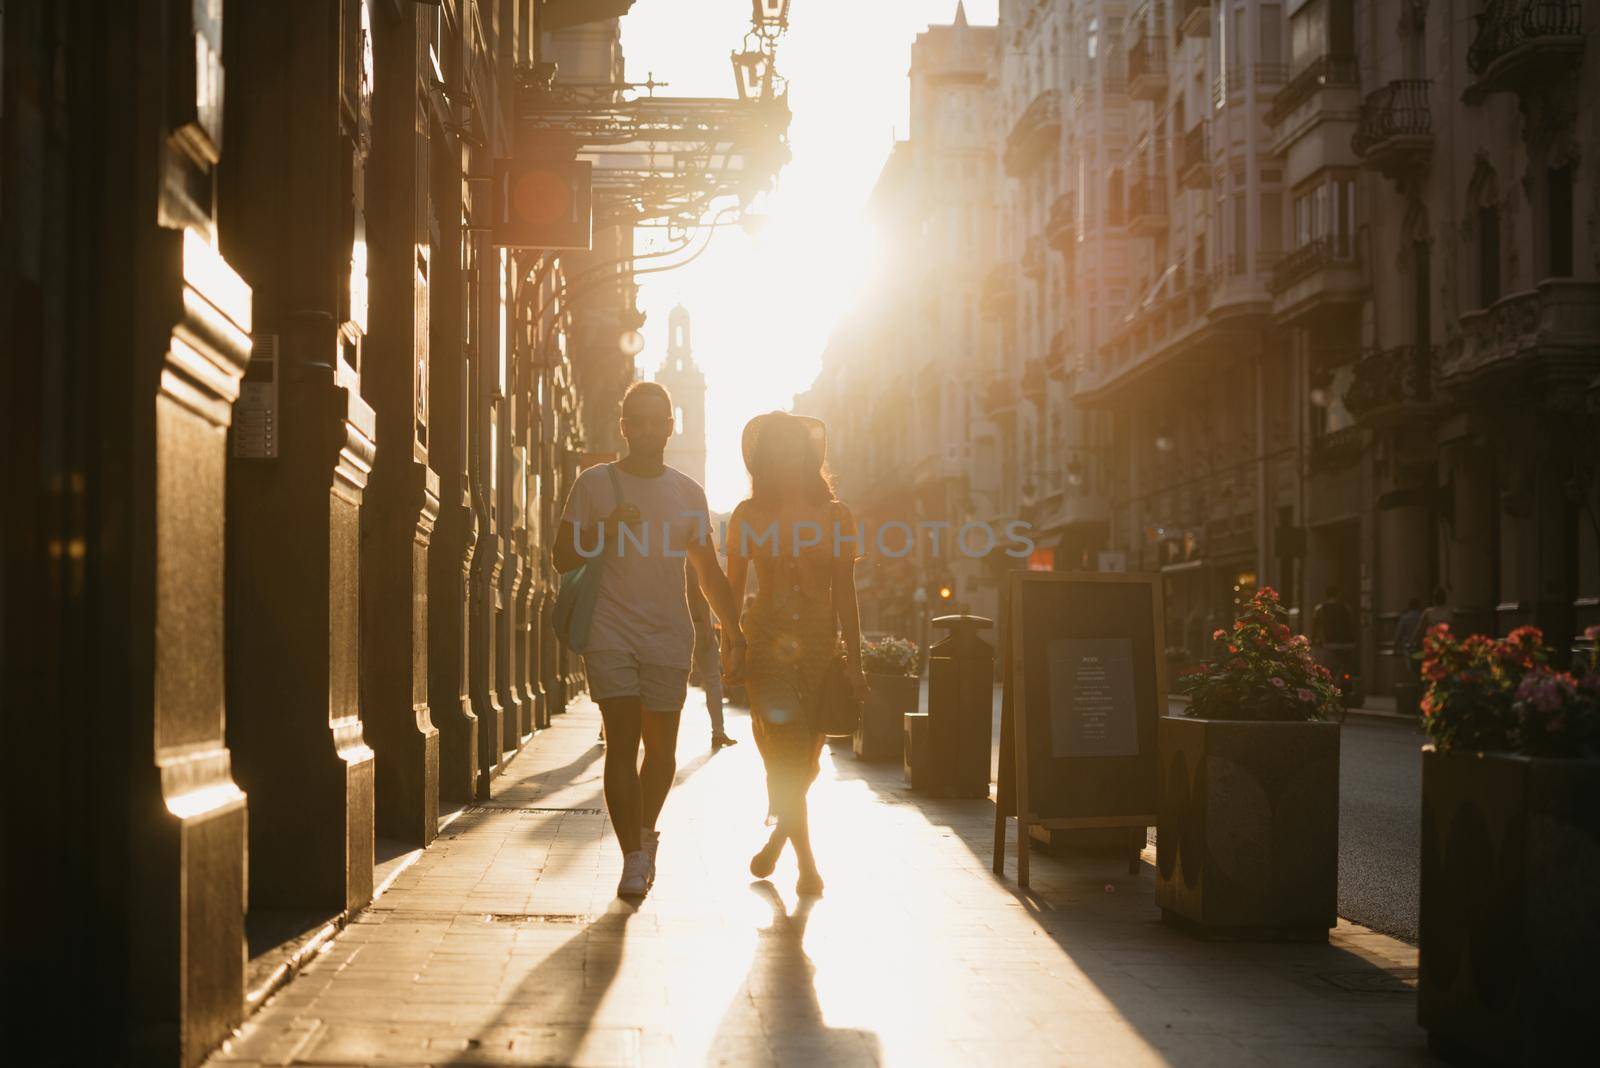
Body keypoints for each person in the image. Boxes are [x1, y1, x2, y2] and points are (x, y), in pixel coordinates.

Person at [553, 381, 744, 898]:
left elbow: (708, 571)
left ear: (669, 426)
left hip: (668, 634)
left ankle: (645, 834)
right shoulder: (594, 484)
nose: (646, 428)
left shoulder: (688, 493)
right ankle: (633, 859)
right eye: (635, 419)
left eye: (656, 420)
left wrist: (734, 631)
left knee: (662, 751)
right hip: (609, 631)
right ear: (624, 426)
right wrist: (604, 531)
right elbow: (562, 556)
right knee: (622, 740)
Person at [725, 411, 870, 896]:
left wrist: (854, 661)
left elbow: (846, 591)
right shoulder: (747, 516)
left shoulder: (836, 516)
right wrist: (731, 643)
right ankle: (806, 863)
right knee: (784, 750)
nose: (786, 455)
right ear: (763, 458)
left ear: (810, 456)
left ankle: (781, 849)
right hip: (766, 645)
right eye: (777, 448)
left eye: (794, 447)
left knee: (805, 762)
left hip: (817, 647)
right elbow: (732, 587)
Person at [686, 568, 737, 749]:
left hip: (677, 624)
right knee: (712, 680)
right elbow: (708, 589)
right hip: (700, 625)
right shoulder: (695, 559)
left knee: (667, 680)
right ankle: (718, 732)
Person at [1393, 596, 1424, 678]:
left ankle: (1412, 683)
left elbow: (1399, 633)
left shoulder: (1405, 618)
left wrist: (1395, 646)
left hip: (1408, 646)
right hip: (1420, 646)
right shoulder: (1422, 617)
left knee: (1410, 668)